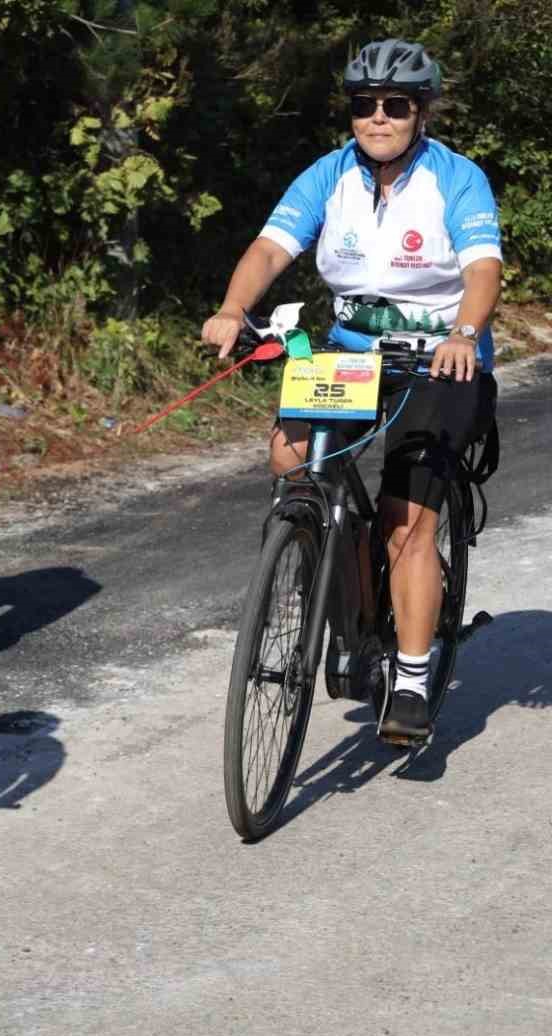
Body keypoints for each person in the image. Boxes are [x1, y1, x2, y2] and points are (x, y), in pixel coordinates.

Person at [201, 38, 501, 743]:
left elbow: (483, 270)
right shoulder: (328, 175)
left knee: (406, 517)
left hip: (440, 363)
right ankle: (327, 564)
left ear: (420, 112)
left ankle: (413, 674)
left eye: (395, 105)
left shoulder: (456, 180)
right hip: (353, 356)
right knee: (289, 455)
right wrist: (231, 308)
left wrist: (463, 332)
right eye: (364, 105)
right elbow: (272, 248)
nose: (378, 117)